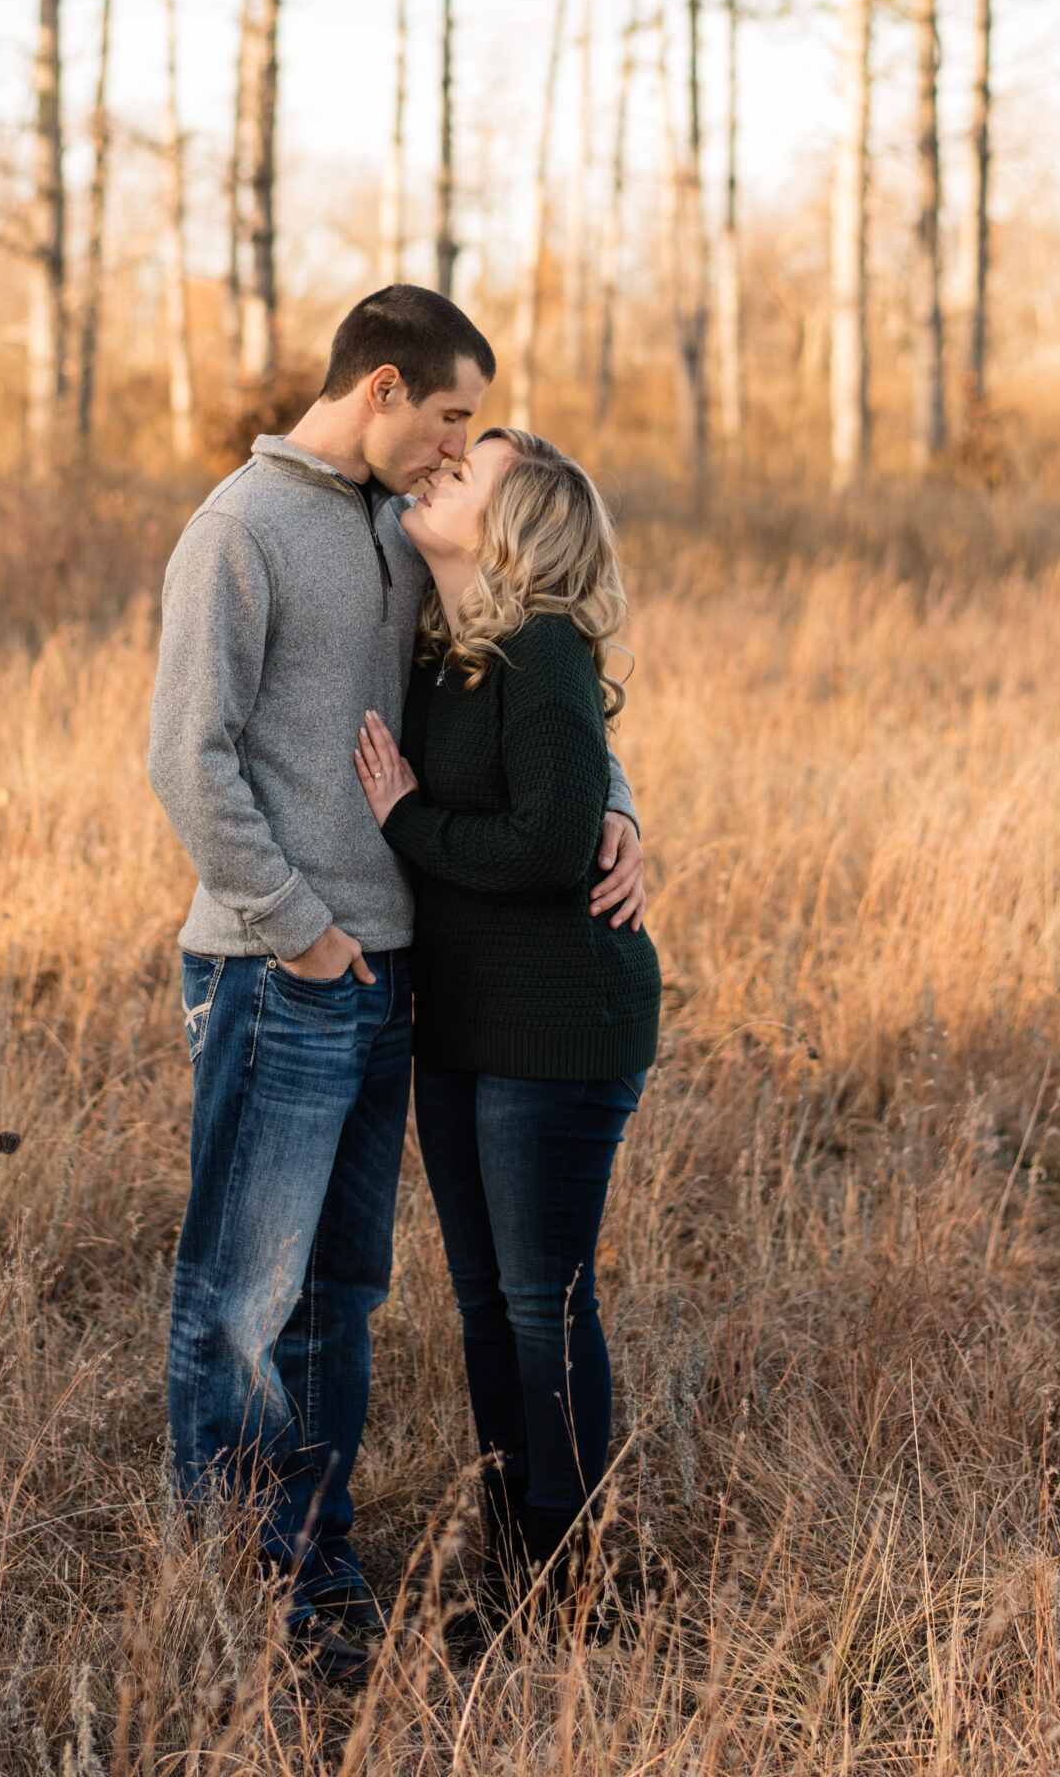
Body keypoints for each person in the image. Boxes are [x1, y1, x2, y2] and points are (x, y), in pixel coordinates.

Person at [147, 287, 646, 1683]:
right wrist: (300, 930)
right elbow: (188, 761)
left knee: (339, 1299)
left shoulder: (396, 527)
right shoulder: (236, 535)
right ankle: (246, 1605)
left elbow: (531, 655)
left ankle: (317, 1574)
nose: (453, 453)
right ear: (378, 391)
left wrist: (614, 807)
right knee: (240, 1301)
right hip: (281, 971)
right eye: (447, 418)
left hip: (396, 979)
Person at [353, 426, 661, 1629]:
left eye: (466, 470)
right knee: (484, 1299)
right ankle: (516, 1567)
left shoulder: (536, 648)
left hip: (561, 1025)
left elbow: (545, 842)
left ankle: (580, 1586)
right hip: (466, 1025)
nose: (437, 473)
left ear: (514, 527)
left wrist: (410, 824)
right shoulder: (450, 651)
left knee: (543, 1298)